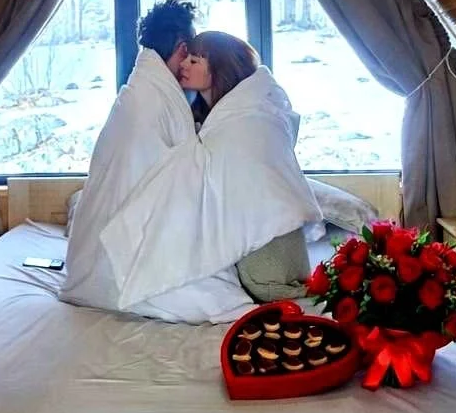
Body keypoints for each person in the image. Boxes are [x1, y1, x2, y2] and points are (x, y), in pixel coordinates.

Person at [98, 32, 320, 317]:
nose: (185, 65)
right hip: (263, 251)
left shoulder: (248, 117)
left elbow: (256, 175)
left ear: (219, 66)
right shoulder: (215, 116)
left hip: (270, 257)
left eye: (195, 59)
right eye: (185, 58)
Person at [61, 0, 232, 314]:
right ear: (181, 47)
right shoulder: (154, 98)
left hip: (85, 258)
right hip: (122, 251)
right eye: (190, 53)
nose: (189, 62)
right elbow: (188, 179)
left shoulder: (138, 91)